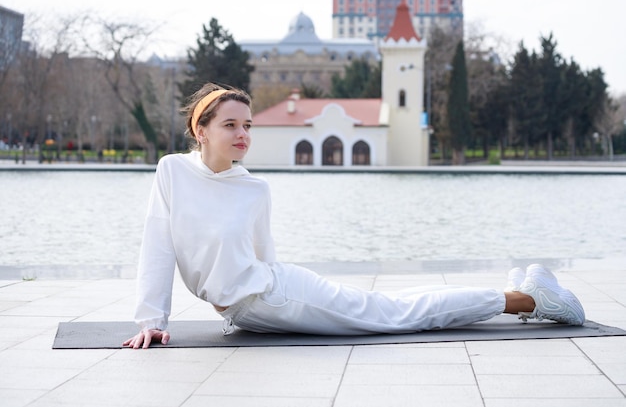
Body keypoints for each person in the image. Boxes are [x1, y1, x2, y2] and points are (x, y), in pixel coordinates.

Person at [123, 83, 585, 349]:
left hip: (273, 299)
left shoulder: (253, 188)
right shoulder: (172, 172)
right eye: (231, 125)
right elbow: (157, 246)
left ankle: (529, 300)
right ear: (199, 130)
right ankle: (522, 291)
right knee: (394, 307)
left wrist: (241, 303)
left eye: (248, 125)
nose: (244, 134)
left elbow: (264, 257)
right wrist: (152, 320)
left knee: (397, 313)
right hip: (261, 304)